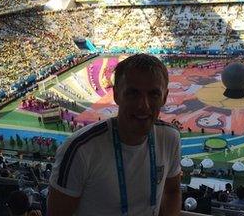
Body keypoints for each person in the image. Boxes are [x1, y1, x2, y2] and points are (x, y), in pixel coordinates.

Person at [47, 54, 182, 215]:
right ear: (116, 94)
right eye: (133, 93)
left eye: (153, 94)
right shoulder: (79, 150)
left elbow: (172, 191)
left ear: (165, 97)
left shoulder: (170, 138)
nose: (143, 105)